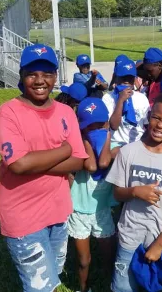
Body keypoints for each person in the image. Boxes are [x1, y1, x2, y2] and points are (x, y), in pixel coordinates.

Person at [0, 44, 88, 292]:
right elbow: (18, 164)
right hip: (23, 217)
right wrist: (64, 150)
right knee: (39, 287)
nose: (39, 81)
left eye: (47, 73)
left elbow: (80, 161)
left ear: (55, 76)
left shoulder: (66, 111)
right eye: (32, 73)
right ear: (22, 74)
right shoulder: (8, 113)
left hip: (58, 212)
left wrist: (35, 162)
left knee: (53, 276)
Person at [105, 93, 162, 292]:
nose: (161, 125)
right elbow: (117, 193)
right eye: (157, 118)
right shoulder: (128, 152)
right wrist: (135, 191)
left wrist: (160, 245)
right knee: (123, 287)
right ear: (149, 116)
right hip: (130, 238)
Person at [68, 97, 116, 292]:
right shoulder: (78, 147)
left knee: (108, 254)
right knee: (84, 260)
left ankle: (110, 285)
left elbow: (103, 163)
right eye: (90, 127)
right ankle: (83, 288)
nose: (95, 129)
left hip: (102, 210)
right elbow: (91, 166)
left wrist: (106, 138)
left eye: (100, 125)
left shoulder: (115, 144)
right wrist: (87, 140)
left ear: (107, 122)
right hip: (79, 211)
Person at [102, 59, 150, 151]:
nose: (127, 81)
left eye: (130, 78)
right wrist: (120, 100)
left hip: (137, 142)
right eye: (123, 78)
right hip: (116, 143)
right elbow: (113, 126)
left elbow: (147, 125)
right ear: (116, 78)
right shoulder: (108, 98)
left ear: (134, 79)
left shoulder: (142, 98)